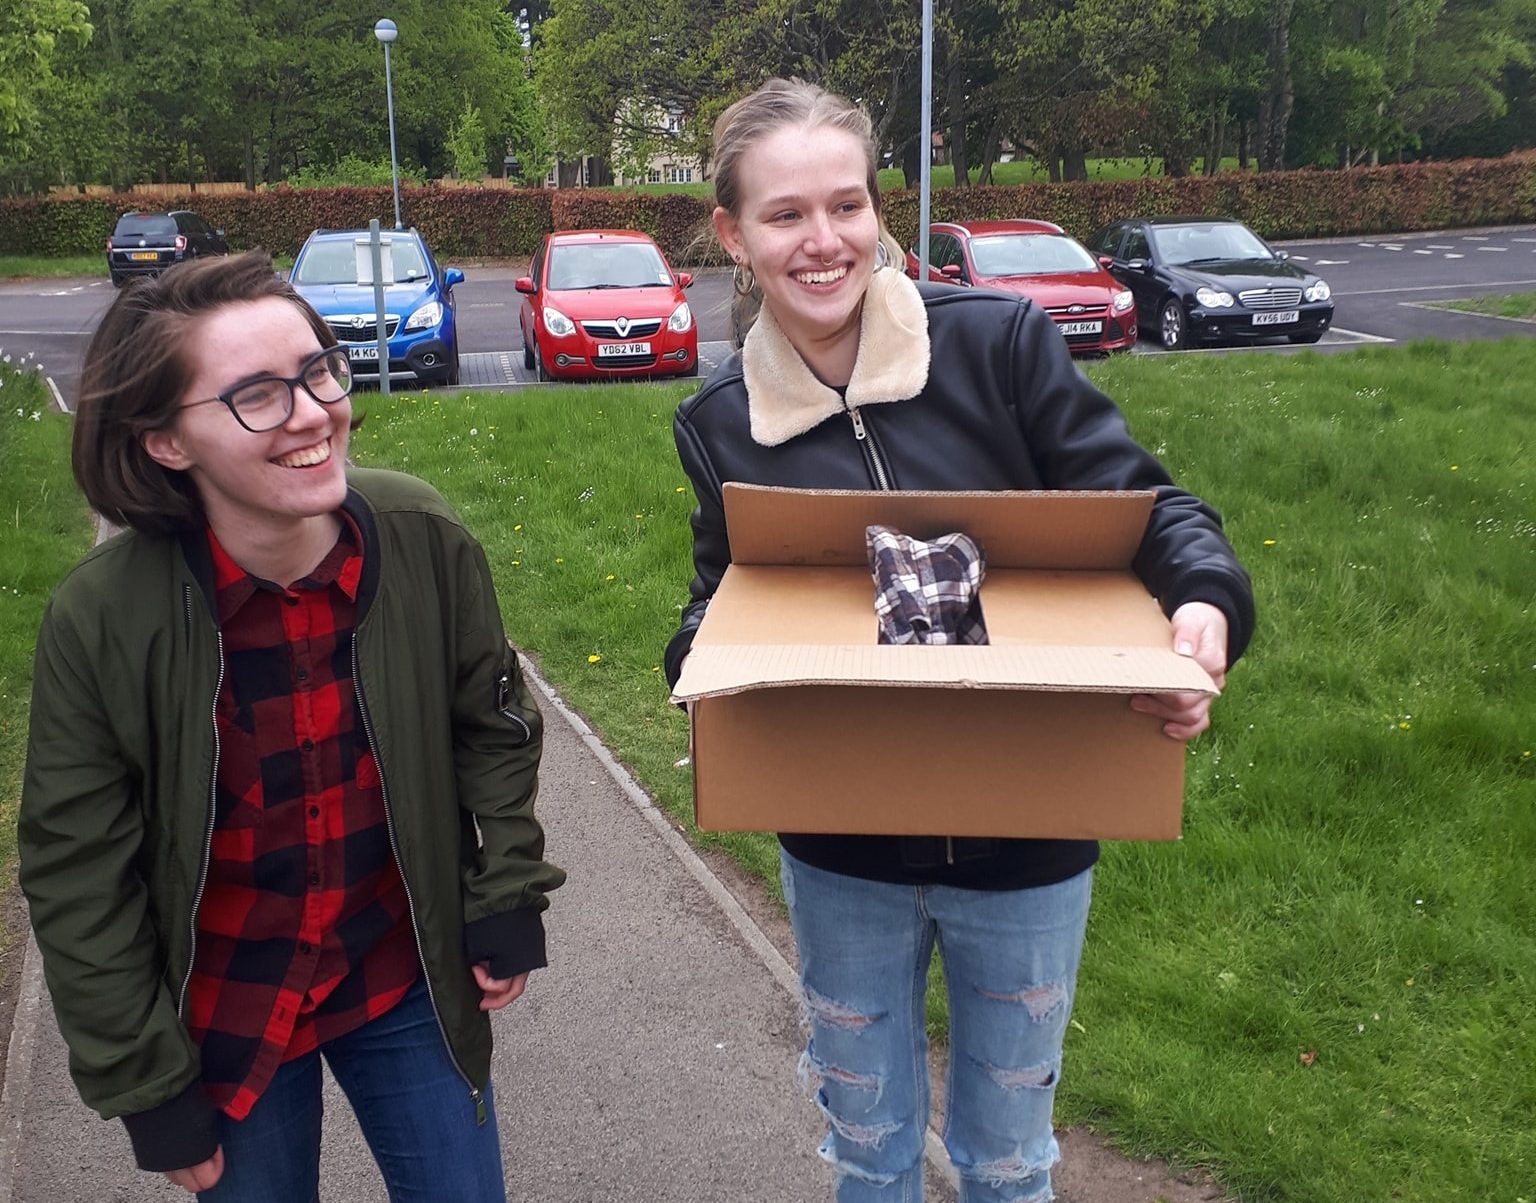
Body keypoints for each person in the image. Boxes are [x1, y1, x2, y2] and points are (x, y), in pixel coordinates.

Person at [665, 79, 1255, 1203]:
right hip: (841, 851)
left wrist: (1205, 609)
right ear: (734, 237)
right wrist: (704, 669)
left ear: (880, 211)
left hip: (1025, 842)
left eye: (847, 204)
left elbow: (1149, 508)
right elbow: (720, 592)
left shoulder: (998, 345)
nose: (824, 240)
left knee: (1008, 1159)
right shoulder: (722, 424)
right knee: (868, 1153)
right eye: (786, 215)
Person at [19, 252, 565, 1202]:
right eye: (257, 396)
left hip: (400, 972)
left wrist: (505, 884)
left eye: (319, 371)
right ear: (164, 441)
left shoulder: (421, 537)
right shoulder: (102, 618)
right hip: (228, 1006)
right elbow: (77, 868)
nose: (314, 412)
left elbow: (493, 722)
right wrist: (144, 1081)